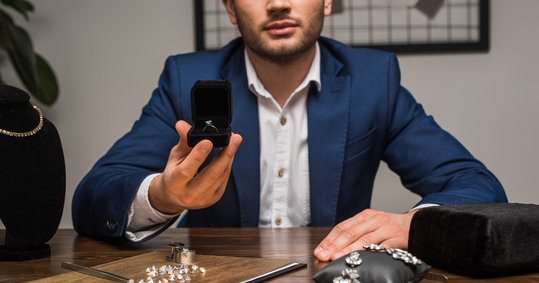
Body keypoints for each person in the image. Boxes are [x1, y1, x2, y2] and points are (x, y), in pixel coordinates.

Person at [72, 0, 507, 262]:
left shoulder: (374, 80)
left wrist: (415, 225)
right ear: (228, 8)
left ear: (327, 0)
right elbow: (95, 195)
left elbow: (476, 185)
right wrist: (163, 196)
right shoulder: (187, 78)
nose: (278, 2)